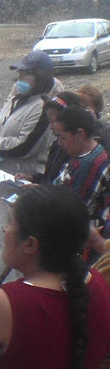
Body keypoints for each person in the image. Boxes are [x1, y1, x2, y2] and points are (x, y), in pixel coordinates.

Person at [0, 185, 110, 369]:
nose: (5, 230)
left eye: (10, 224)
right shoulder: (96, 284)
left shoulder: (5, 303)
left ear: (31, 244)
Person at [0, 50, 58, 274]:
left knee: (22, 244)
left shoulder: (42, 107)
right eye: (20, 74)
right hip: (0, 182)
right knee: (2, 238)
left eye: (27, 75)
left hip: (23, 182)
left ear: (40, 78)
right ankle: (7, 290)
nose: (20, 80)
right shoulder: (14, 99)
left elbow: (24, 146)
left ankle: (21, 289)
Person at [51, 105, 110, 258]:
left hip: (84, 244)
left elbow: (71, 208)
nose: (59, 142)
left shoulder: (90, 163)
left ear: (79, 133)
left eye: (62, 137)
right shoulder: (81, 153)